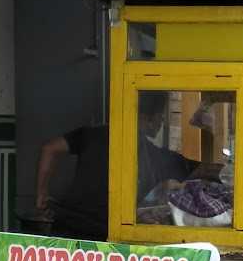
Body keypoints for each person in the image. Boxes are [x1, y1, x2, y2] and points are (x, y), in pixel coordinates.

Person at [35, 92, 198, 240]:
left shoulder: (93, 134)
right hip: (101, 236)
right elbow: (192, 169)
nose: (161, 122)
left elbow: (49, 148)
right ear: (147, 118)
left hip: (65, 229)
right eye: (160, 117)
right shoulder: (151, 155)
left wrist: (41, 194)